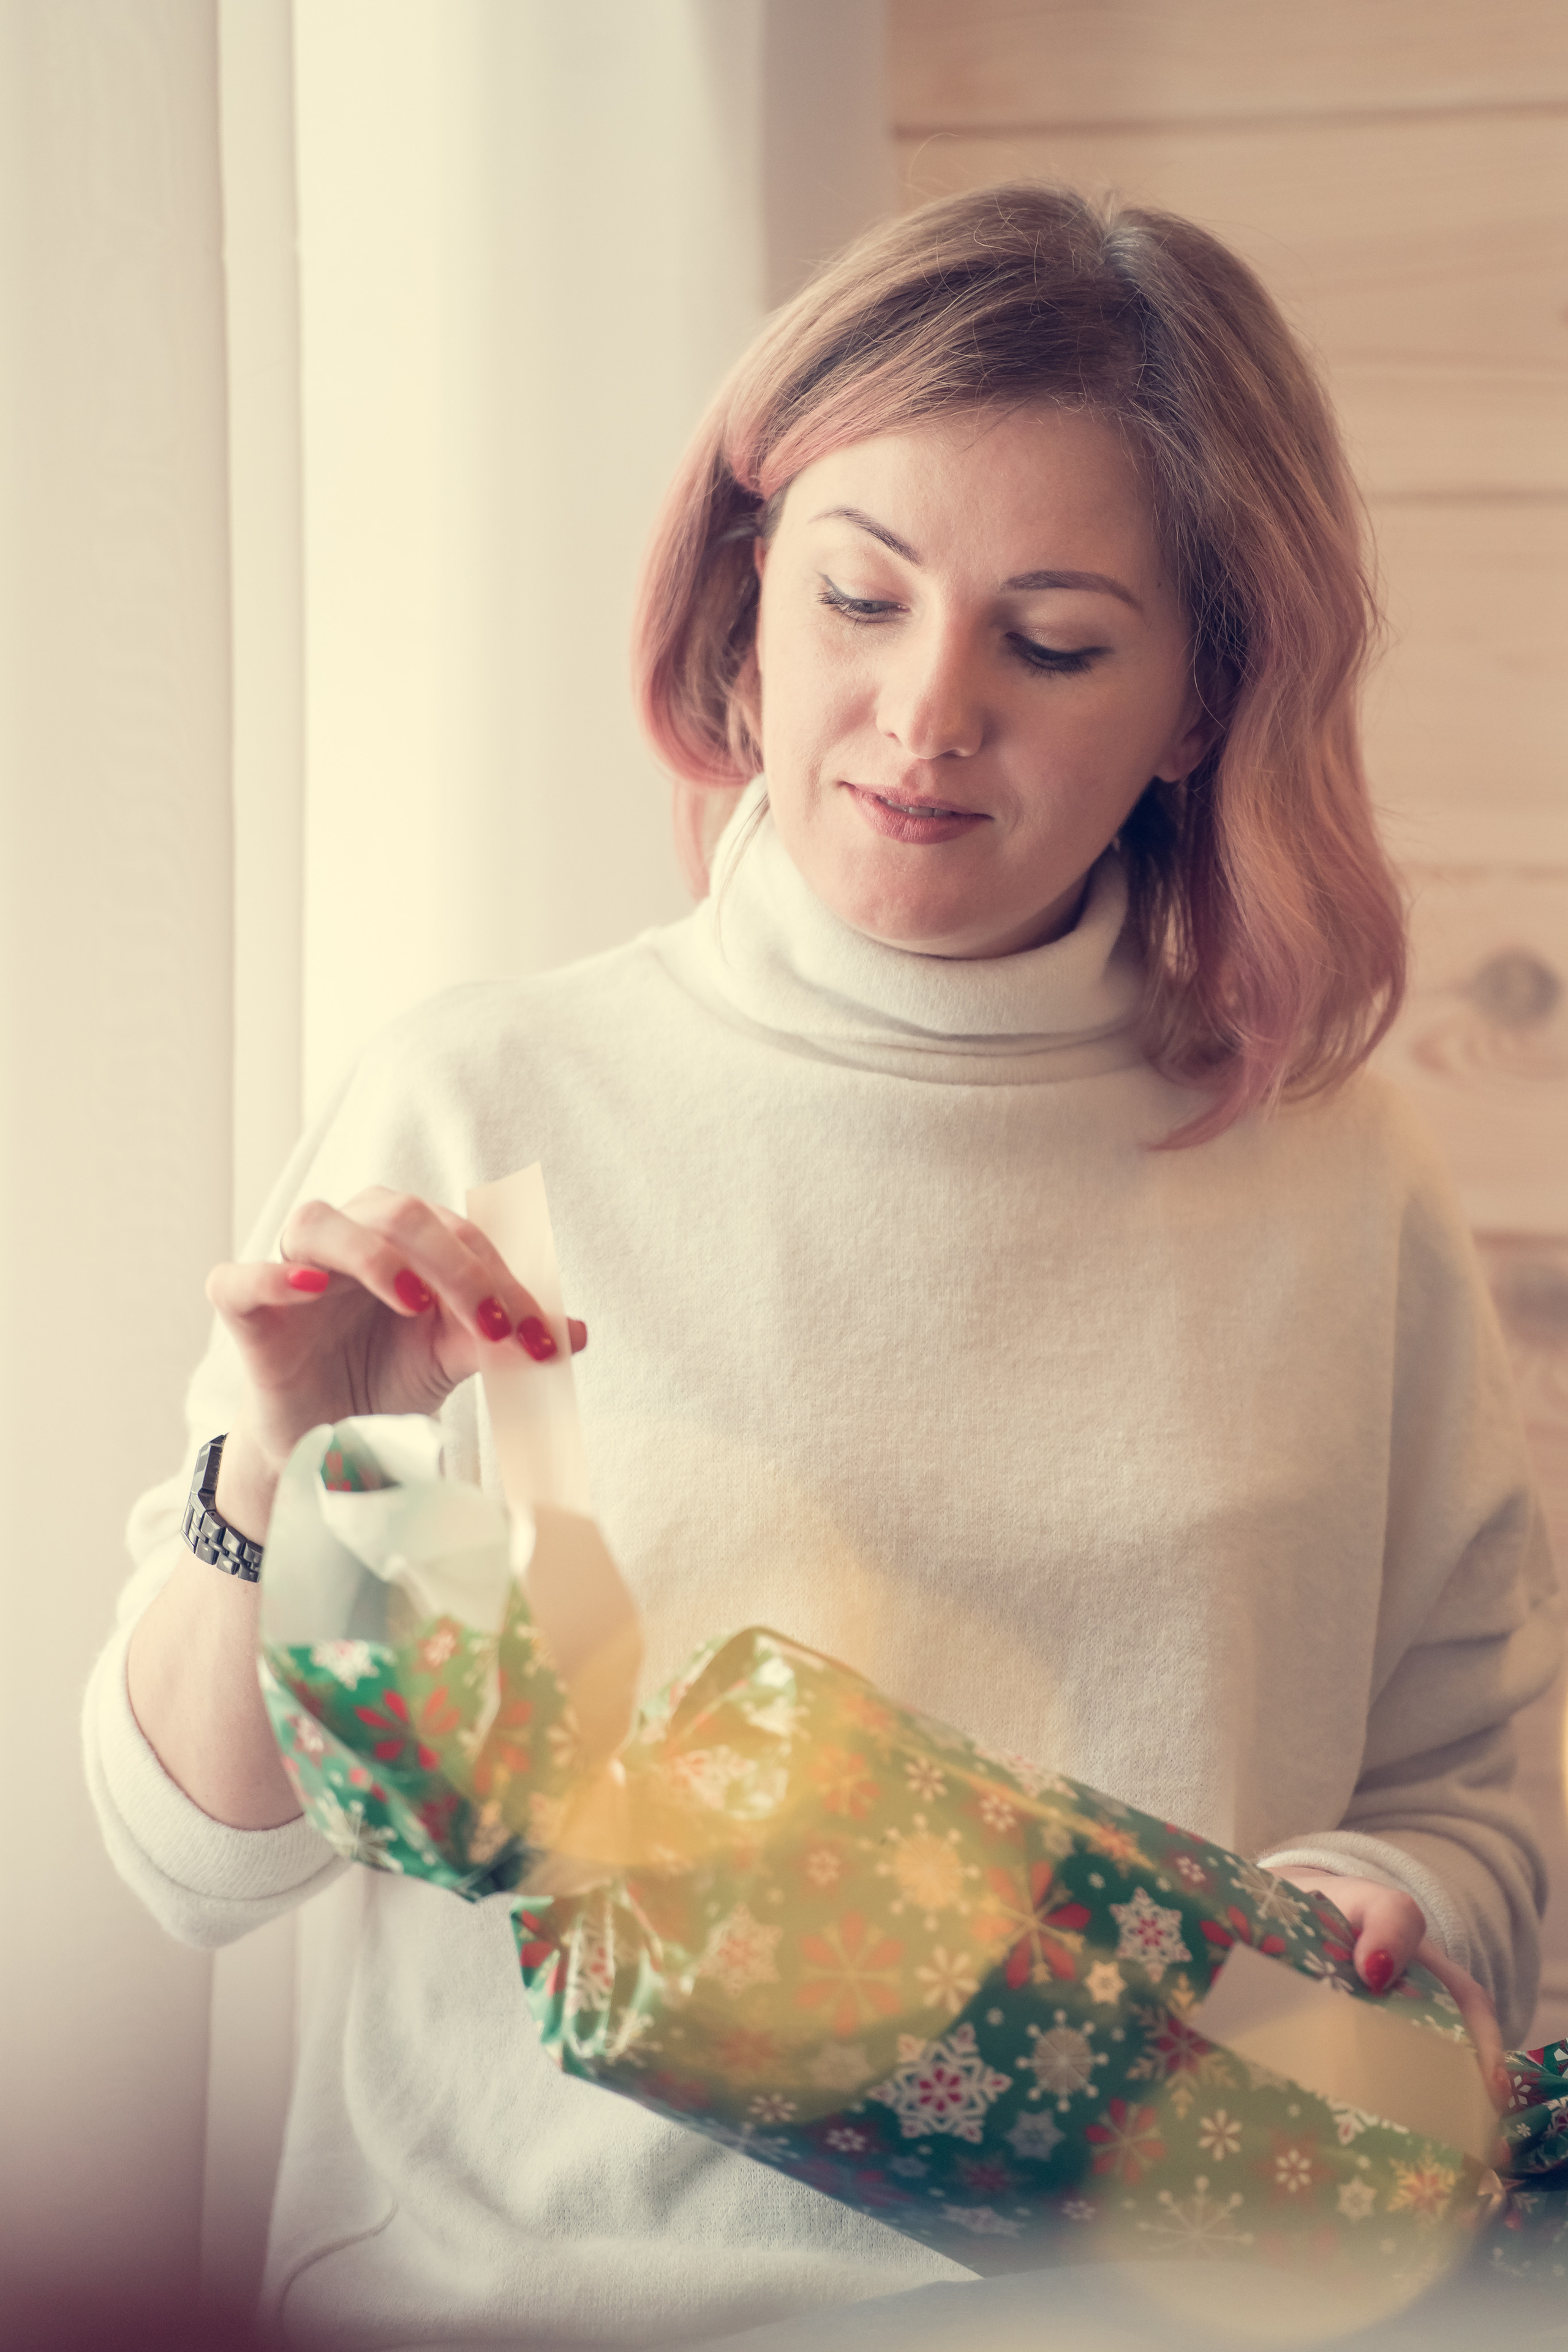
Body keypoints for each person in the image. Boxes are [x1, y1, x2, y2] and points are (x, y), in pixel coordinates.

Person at [86, 183, 1557, 2350]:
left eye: (1054, 643)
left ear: (1196, 703)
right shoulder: (488, 1105)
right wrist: (275, 1482)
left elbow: (1481, 1806)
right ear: (751, 592)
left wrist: (1382, 1907)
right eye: (860, 595)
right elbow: (195, 1864)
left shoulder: (1337, 1181)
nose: (927, 709)